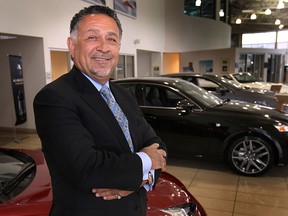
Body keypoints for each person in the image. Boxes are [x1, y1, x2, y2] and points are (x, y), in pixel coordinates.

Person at [33, 5, 167, 216]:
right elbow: (87, 168)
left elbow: (157, 144)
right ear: (72, 45)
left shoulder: (124, 95)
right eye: (93, 37)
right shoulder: (54, 98)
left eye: (111, 39)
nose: (104, 48)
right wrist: (146, 161)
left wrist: (143, 179)